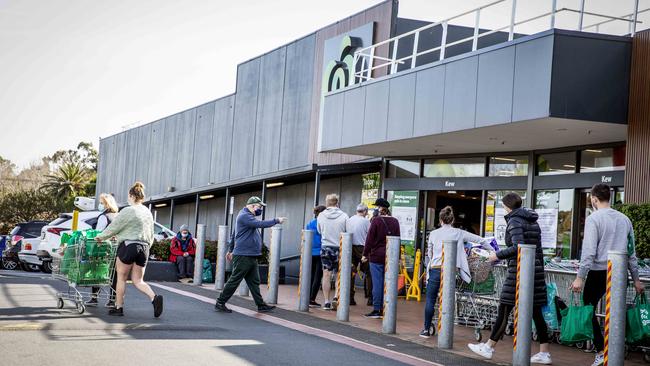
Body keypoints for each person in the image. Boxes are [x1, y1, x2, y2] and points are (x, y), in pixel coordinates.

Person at [468, 192, 551, 364]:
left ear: (507, 206)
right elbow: (537, 249)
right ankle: (544, 352)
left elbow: (517, 247)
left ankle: (489, 347)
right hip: (534, 271)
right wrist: (539, 271)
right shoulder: (532, 220)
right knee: (536, 312)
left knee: (505, 307)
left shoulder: (514, 221)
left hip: (519, 272)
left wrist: (496, 255)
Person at [570, 184, 643, 366]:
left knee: (588, 308)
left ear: (594, 199)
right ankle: (615, 351)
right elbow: (631, 251)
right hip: (619, 272)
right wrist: (636, 279)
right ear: (609, 197)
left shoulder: (594, 218)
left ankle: (602, 350)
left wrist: (580, 277)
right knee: (616, 313)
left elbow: (588, 251)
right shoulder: (625, 219)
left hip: (598, 271)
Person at [419, 206, 492, 337]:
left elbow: (429, 253)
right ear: (452, 220)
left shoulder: (433, 234)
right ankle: (446, 331)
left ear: (440, 219)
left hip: (435, 269)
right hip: (451, 271)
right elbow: (480, 240)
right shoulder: (459, 233)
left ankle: (426, 329)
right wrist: (493, 251)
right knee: (448, 299)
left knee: (430, 299)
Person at [95, 182, 163, 317]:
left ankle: (118, 307)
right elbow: (151, 233)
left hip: (128, 246)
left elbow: (115, 226)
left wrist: (101, 237)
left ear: (131, 195)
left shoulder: (128, 210)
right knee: (138, 280)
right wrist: (147, 246)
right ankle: (154, 297)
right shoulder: (147, 212)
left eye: (128, 195)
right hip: (144, 247)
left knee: (121, 278)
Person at [214, 196, 286, 313]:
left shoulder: (246, 216)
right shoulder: (245, 216)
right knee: (235, 279)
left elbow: (234, 235)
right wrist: (276, 220)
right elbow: (260, 224)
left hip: (250, 255)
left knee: (254, 281)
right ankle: (220, 302)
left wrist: (231, 249)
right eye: (259, 207)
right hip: (244, 255)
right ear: (252, 206)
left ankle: (260, 305)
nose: (260, 209)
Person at [362, 198, 400, 318]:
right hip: (391, 256)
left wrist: (365, 254)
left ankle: (377, 309)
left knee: (377, 283)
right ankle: (388, 308)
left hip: (376, 256)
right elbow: (398, 239)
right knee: (388, 283)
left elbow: (369, 239)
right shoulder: (395, 221)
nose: (375, 210)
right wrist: (398, 257)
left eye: (376, 207)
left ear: (380, 208)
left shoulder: (376, 221)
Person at [86, 193, 119, 307]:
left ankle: (94, 298)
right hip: (115, 248)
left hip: (103, 248)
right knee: (114, 275)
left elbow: (98, 233)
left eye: (101, 203)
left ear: (106, 204)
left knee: (97, 271)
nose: (100, 205)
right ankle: (112, 300)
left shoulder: (103, 217)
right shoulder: (117, 216)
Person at [317, 193, 348, 310]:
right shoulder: (344, 216)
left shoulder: (321, 215)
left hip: (326, 247)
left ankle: (326, 301)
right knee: (338, 274)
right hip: (339, 247)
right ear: (337, 202)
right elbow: (346, 231)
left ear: (327, 203)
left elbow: (319, 231)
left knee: (326, 274)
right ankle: (336, 297)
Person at [346, 203, 371, 306]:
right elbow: (370, 236)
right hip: (363, 248)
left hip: (350, 247)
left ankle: (350, 298)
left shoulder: (349, 220)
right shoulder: (366, 221)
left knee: (351, 273)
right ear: (365, 212)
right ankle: (370, 298)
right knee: (369, 272)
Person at [305, 205, 326, 307]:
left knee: (311, 276)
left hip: (310, 252)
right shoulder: (323, 223)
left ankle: (307, 297)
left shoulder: (310, 223)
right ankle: (312, 299)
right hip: (320, 252)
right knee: (318, 276)